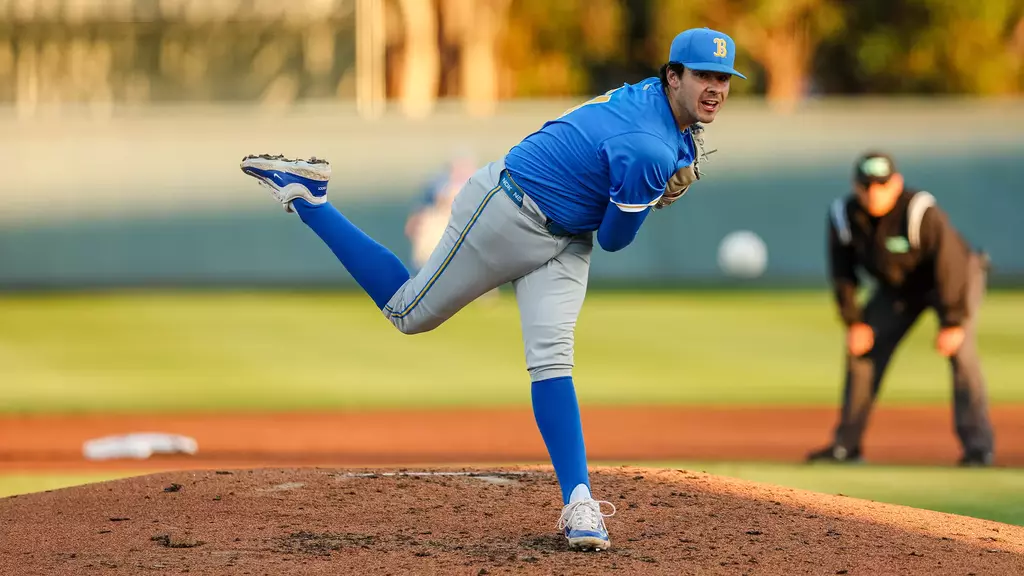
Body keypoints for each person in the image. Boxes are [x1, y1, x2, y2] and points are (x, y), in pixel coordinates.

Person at [240, 27, 744, 551]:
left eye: (724, 78)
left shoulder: (656, 105)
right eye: (703, 75)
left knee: (553, 361)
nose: (716, 88)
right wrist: (654, 189)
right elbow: (616, 240)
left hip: (567, 237)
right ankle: (310, 198)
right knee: (408, 312)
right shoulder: (647, 148)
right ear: (673, 77)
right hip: (508, 211)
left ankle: (580, 504)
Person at [807, 152, 995, 467]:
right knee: (862, 351)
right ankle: (846, 447)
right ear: (856, 186)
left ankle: (978, 449)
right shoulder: (844, 215)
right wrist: (854, 321)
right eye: (867, 186)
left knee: (961, 354)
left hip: (954, 281)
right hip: (898, 289)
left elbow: (951, 264)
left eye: (881, 184)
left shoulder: (920, 210)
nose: (874, 192)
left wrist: (952, 321)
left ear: (897, 183)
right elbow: (843, 273)